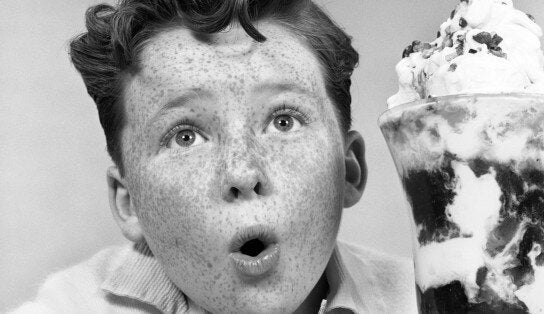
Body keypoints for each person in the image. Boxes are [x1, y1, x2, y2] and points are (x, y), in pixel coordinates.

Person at [11, 0, 415, 313]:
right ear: (129, 202)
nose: (242, 172)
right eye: (185, 136)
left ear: (349, 170)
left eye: (283, 122)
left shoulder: (435, 300)